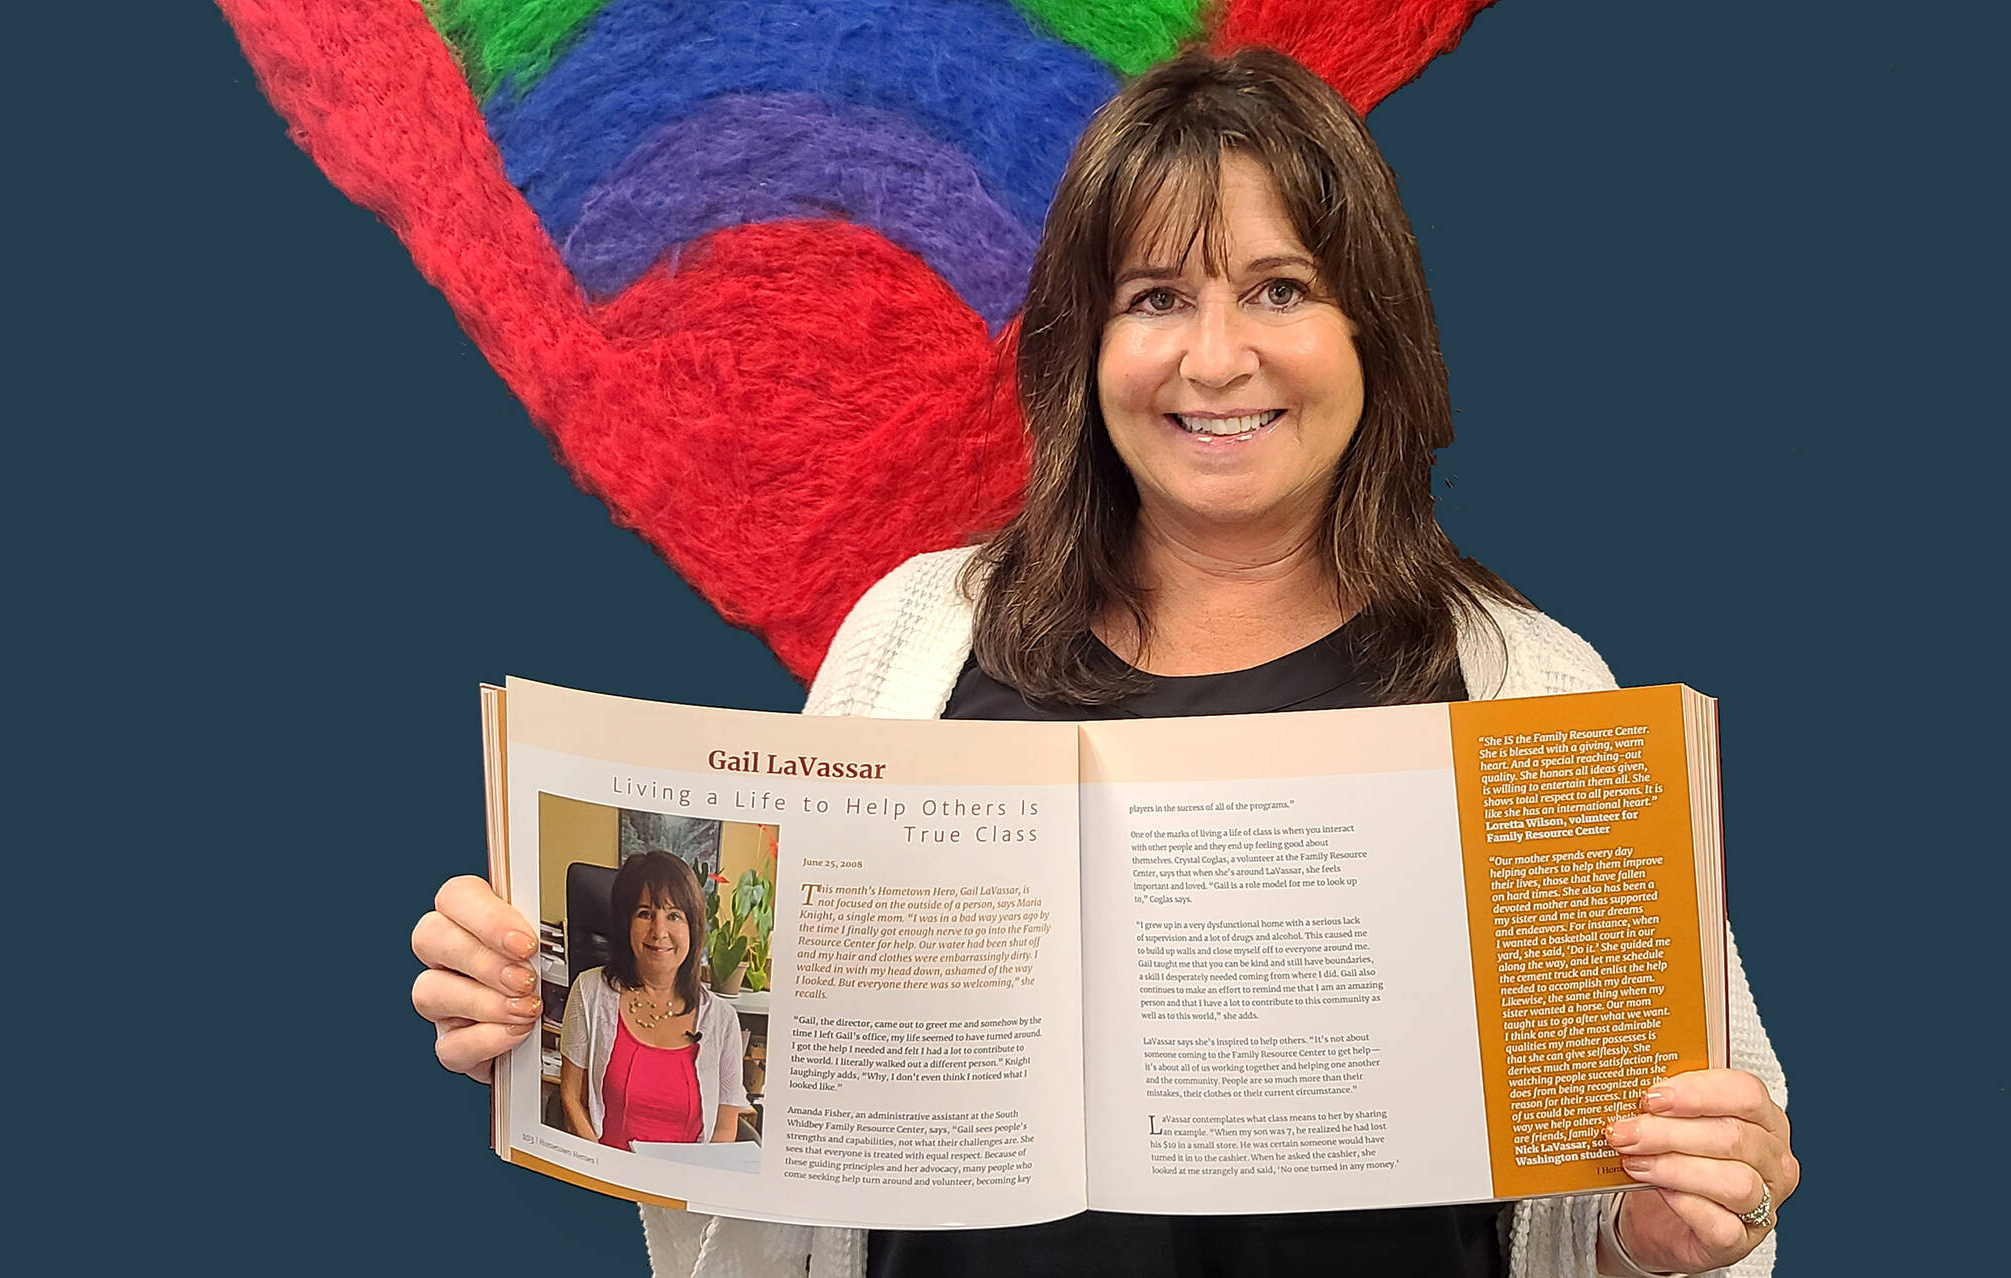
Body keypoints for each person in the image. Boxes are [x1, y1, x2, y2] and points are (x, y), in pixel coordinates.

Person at [410, 46, 1797, 1278]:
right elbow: (763, 1117)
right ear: (1088, 346)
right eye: (1154, 296)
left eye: (1279, 286)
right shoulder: (914, 641)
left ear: (1371, 329)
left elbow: (1637, 1193)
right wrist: (544, 997)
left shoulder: (1531, 688)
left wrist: (1663, 1231)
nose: (1216, 355)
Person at [554, 849, 747, 1148]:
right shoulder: (590, 992)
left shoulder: (722, 1020)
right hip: (605, 1178)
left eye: (674, 916)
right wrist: (598, 1168)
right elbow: (569, 1096)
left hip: (682, 1186)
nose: (659, 931)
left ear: (693, 928)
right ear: (626, 924)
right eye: (645, 914)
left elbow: (724, 1128)